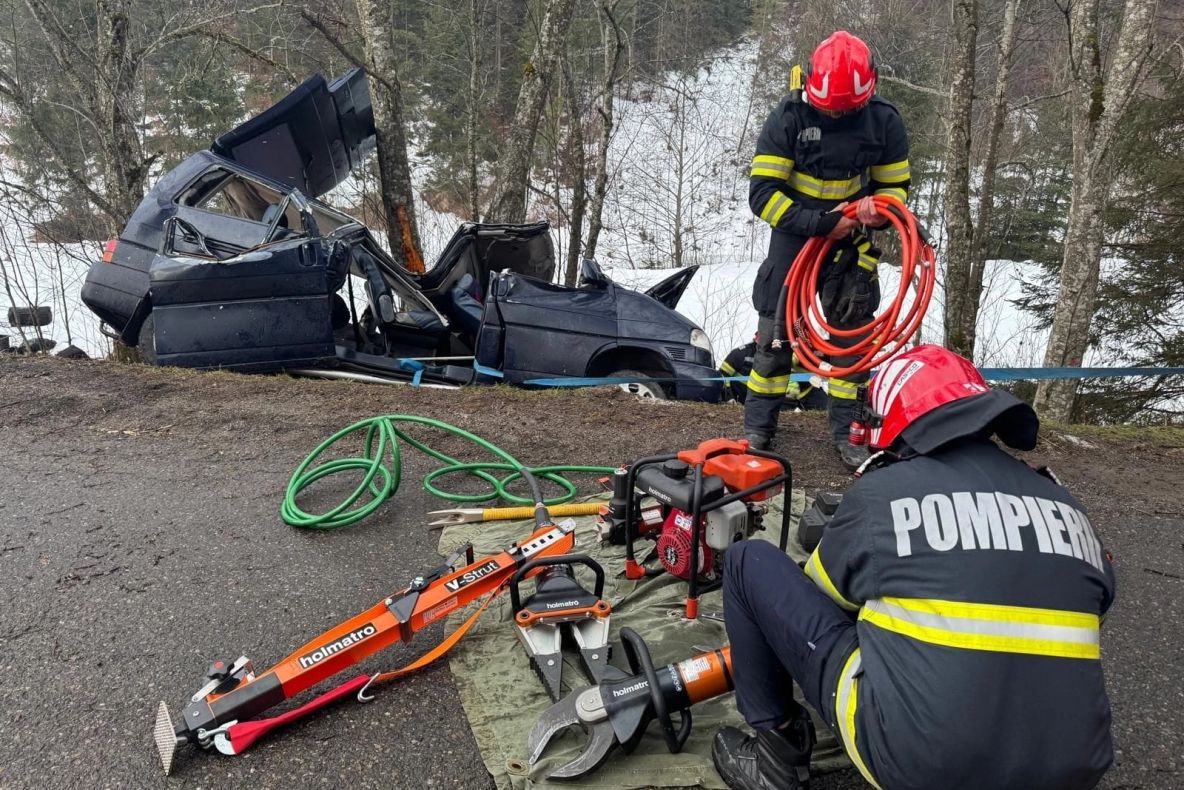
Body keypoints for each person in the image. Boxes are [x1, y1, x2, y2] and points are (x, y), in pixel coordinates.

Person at [713, 344, 1116, 790]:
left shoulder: (886, 493)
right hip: (1073, 770)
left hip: (920, 765)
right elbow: (1093, 603)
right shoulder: (1066, 504)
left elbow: (823, 597)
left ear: (896, 419)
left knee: (747, 561)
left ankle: (775, 759)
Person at [745, 30, 911, 471]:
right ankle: (759, 428)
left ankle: (847, 433)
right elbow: (763, 195)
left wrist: (879, 211)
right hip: (795, 236)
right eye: (829, 108)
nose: (837, 114)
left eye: (846, 109)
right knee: (776, 336)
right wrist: (820, 223)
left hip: (852, 239)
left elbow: (895, 187)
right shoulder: (788, 117)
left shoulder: (883, 121)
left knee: (851, 340)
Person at [720, 335, 826, 411]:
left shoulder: (786, 350)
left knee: (825, 408)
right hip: (760, 397)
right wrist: (729, 397)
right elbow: (722, 375)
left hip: (805, 391)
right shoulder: (740, 353)